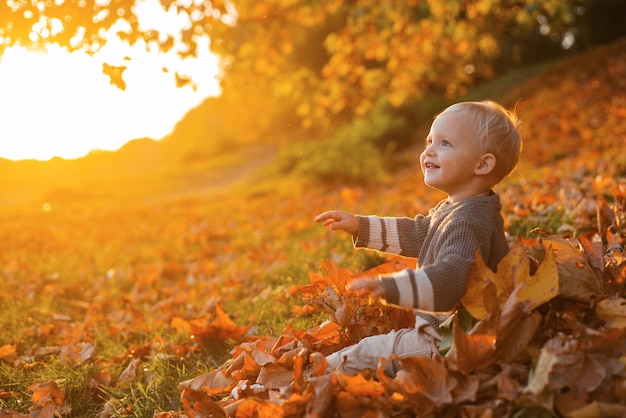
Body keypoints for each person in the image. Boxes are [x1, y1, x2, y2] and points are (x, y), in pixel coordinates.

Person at [314, 100, 522, 376]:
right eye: (429, 141)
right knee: (372, 350)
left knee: (365, 353)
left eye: (445, 143)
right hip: (449, 333)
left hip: (448, 343)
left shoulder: (468, 222)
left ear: (482, 164)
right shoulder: (461, 208)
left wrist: (389, 287)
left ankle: (307, 382)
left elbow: (448, 280)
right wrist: (359, 226)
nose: (428, 151)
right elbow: (418, 233)